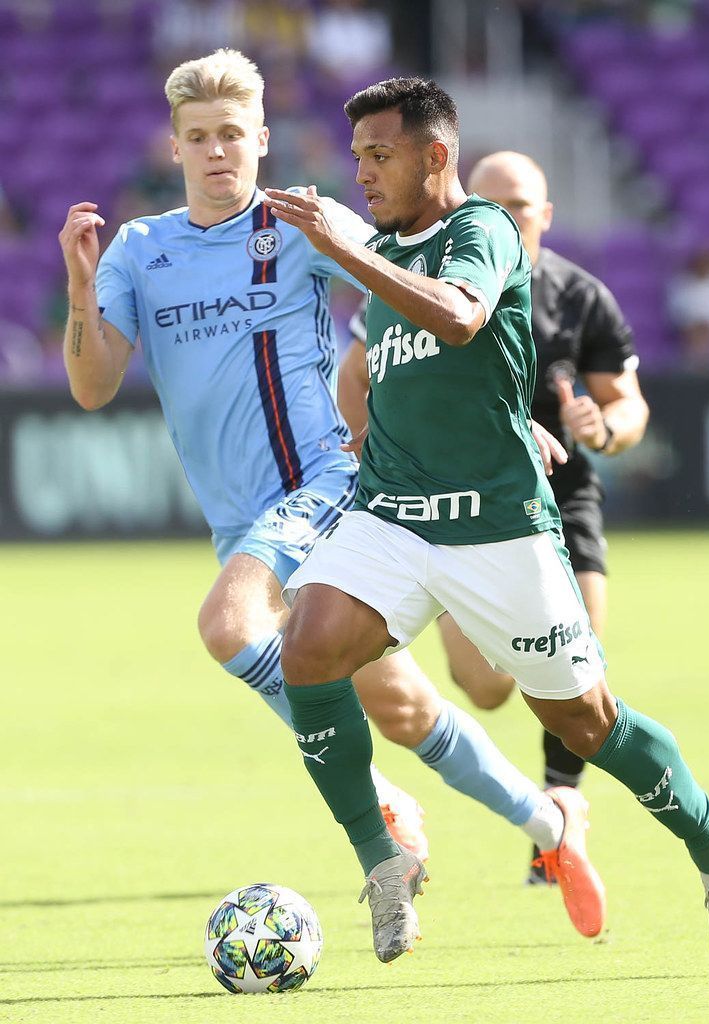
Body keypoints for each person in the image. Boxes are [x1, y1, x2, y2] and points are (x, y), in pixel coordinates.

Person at [58, 48, 604, 925]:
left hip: (320, 484)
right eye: (198, 137)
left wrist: (506, 414)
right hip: (240, 518)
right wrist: (84, 293)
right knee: (402, 706)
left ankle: (383, 811)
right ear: (174, 148)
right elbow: (92, 385)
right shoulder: (138, 250)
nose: (216, 151)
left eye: (232, 133)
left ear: (262, 139)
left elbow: (420, 303)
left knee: (228, 627)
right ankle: (550, 822)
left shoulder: (305, 226)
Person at [265, 76, 709, 969]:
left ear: (436, 155)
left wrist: (347, 246)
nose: (365, 174)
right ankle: (384, 862)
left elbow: (458, 319)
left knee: (584, 723)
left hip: (497, 526)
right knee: (307, 646)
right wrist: (354, 425)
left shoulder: (480, 229)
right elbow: (376, 364)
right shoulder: (381, 245)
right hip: (393, 514)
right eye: (358, 159)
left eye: (381, 155)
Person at [338, 149, 651, 884]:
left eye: (522, 205)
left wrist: (604, 429)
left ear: (547, 215)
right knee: (484, 686)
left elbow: (628, 404)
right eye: (493, 203)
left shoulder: (580, 295)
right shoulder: (423, 279)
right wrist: (374, 451)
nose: (507, 217)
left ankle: (562, 814)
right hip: (456, 498)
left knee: (582, 676)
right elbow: (354, 376)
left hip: (559, 496)